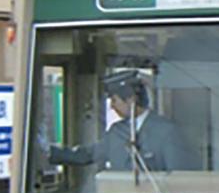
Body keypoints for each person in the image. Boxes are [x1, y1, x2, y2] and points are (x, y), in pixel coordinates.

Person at [47, 70, 196, 172]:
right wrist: (46, 152)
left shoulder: (167, 132)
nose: (111, 106)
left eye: (114, 100)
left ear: (131, 100)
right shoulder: (115, 132)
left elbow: (179, 176)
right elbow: (87, 155)